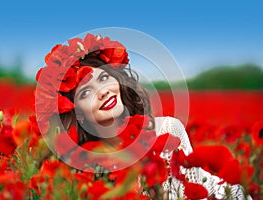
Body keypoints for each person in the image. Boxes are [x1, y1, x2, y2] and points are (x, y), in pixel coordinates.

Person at [35, 33, 247, 199]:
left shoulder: (167, 130)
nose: (103, 91)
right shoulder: (83, 169)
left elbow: (208, 189)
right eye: (86, 92)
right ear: (76, 112)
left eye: (105, 78)